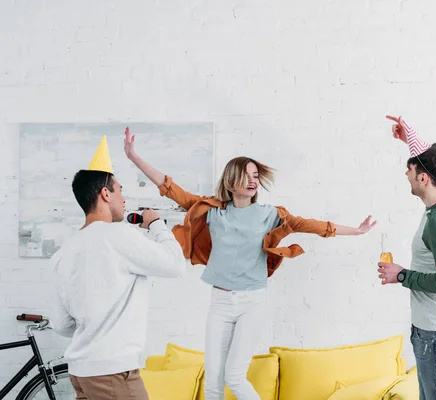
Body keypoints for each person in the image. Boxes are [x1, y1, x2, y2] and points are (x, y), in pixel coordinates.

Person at [123, 127, 377, 400]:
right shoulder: (213, 212)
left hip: (252, 304)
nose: (253, 180)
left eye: (256, 176)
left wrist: (357, 230)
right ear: (231, 181)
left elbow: (314, 226)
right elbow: (171, 189)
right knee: (213, 383)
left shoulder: (270, 215)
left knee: (235, 376)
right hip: (220, 303)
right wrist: (134, 157)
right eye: (246, 175)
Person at [50, 136, 185, 400]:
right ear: (105, 194)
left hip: (80, 373)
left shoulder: (62, 254)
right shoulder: (118, 236)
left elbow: (62, 324)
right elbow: (175, 265)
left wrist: (93, 327)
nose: (124, 199)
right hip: (113, 373)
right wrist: (157, 224)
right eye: (120, 190)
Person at [377, 116, 436, 400]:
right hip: (434, 331)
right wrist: (409, 138)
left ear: (424, 179)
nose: (407, 175)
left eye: (410, 170)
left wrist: (401, 275)